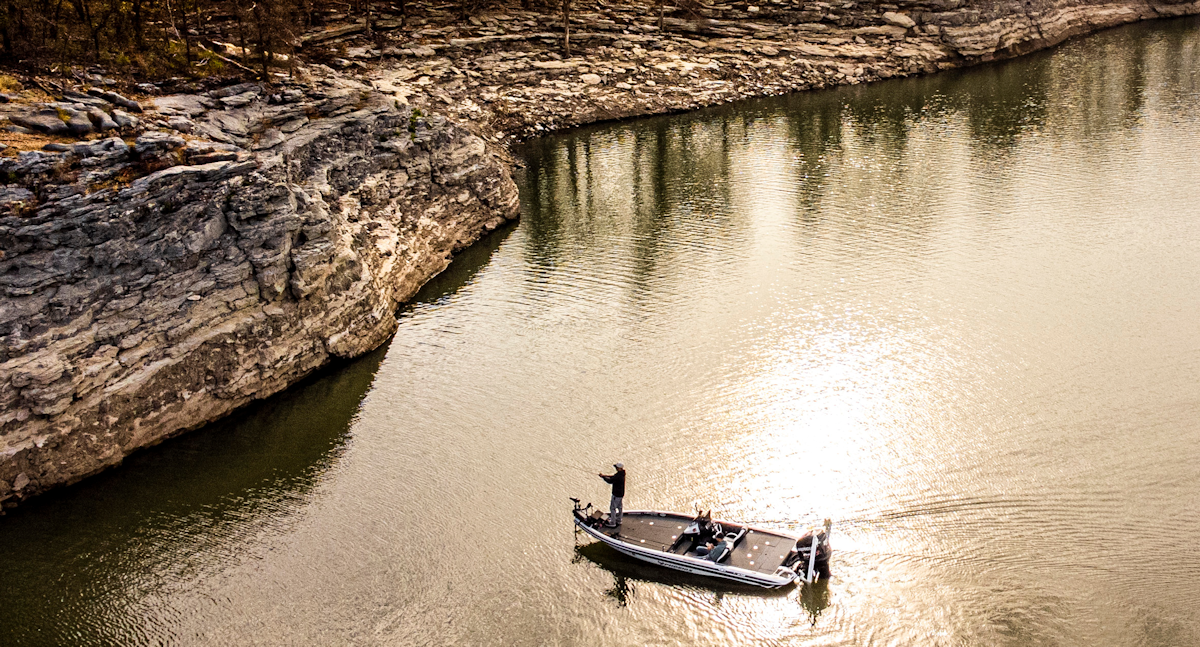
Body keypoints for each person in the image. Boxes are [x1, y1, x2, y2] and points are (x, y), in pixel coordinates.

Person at [598, 462, 626, 527]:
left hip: (616, 494)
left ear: (619, 468)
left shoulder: (618, 476)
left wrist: (603, 477)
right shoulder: (621, 474)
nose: (615, 468)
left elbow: (610, 481)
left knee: (612, 508)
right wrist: (604, 476)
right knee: (619, 507)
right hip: (621, 494)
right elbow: (613, 477)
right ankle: (619, 520)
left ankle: (613, 523)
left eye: (616, 467)